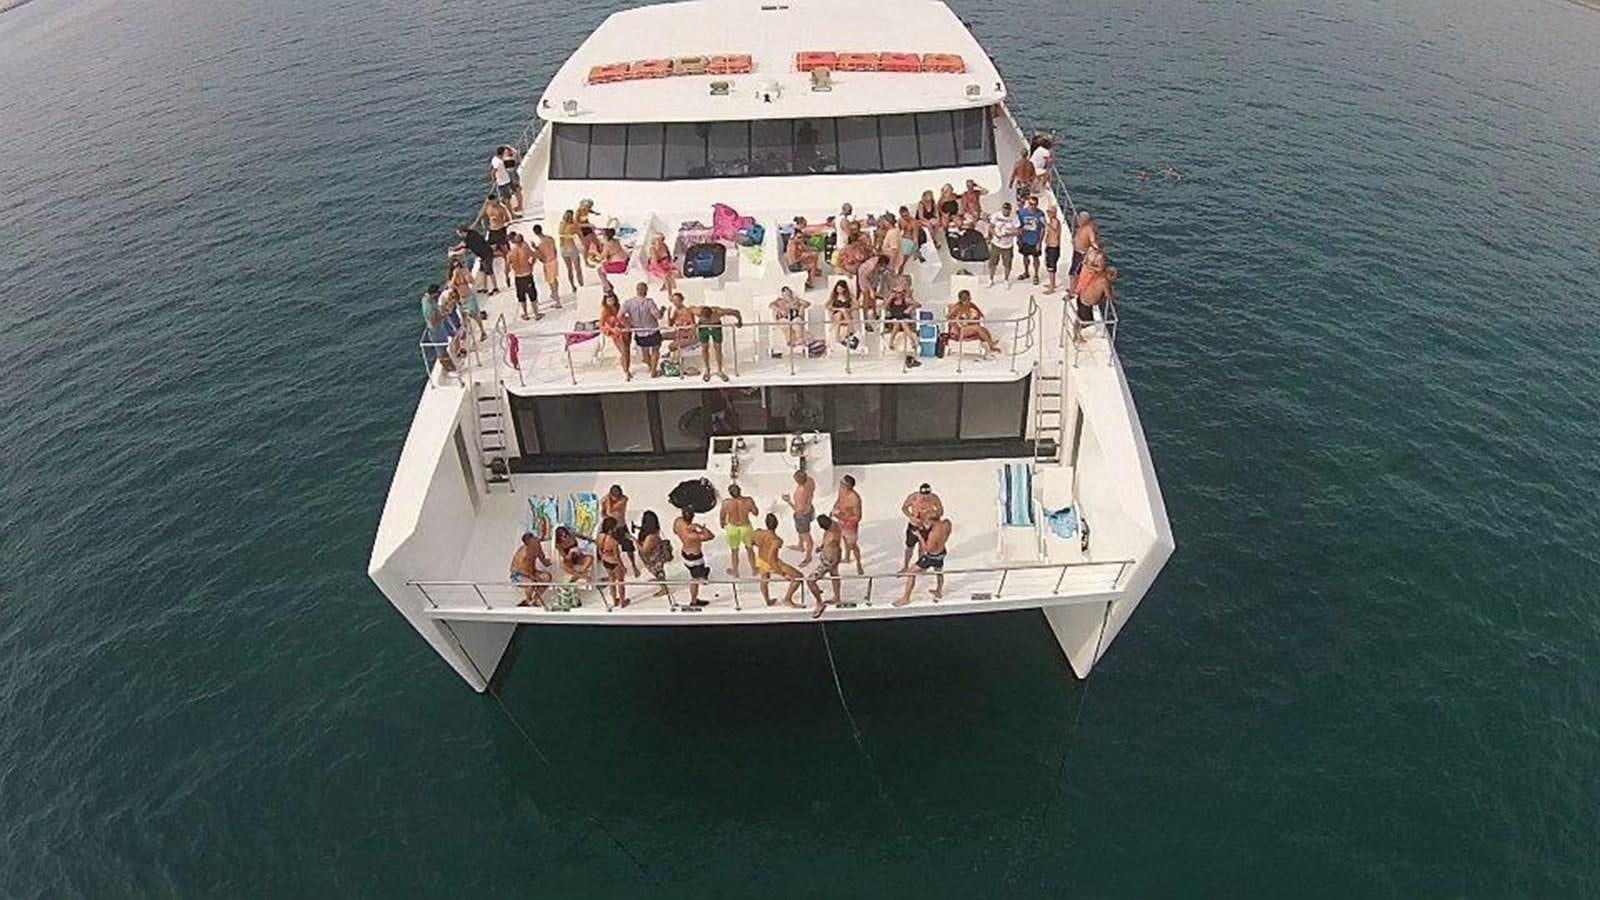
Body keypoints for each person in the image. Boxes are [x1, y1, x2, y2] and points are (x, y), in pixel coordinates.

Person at [898, 515, 951, 605]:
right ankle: (939, 591)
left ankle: (906, 598)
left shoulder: (933, 534)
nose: (925, 524)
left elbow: (927, 549)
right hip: (942, 552)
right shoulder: (946, 524)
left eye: (927, 522)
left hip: (931, 556)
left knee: (911, 572)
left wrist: (919, 536)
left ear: (931, 521)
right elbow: (947, 534)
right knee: (938, 571)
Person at [753, 513, 803, 608]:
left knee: (764, 580)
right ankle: (787, 599)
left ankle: (767, 601)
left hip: (761, 559)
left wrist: (762, 546)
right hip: (772, 562)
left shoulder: (757, 533)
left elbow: (752, 542)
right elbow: (771, 558)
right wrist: (782, 574)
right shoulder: (777, 540)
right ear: (777, 524)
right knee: (798, 577)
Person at [621, 282, 664, 378]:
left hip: (639, 332)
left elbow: (620, 316)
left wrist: (628, 325)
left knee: (645, 352)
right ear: (646, 290)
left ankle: (651, 368)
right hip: (652, 330)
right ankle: (653, 371)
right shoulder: (649, 302)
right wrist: (662, 311)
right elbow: (657, 316)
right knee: (655, 350)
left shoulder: (629, 303)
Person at [673, 509, 713, 607]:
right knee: (694, 580)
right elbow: (710, 536)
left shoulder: (678, 522)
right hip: (695, 558)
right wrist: (701, 528)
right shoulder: (692, 535)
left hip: (685, 553)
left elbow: (675, 531)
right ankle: (694, 601)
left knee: (694, 575)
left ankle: (702, 575)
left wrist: (690, 528)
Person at [806, 514, 844, 618]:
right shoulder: (833, 524)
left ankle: (819, 603)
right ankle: (837, 597)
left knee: (810, 581)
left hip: (829, 561)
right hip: (827, 556)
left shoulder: (834, 535)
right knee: (834, 575)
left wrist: (833, 562)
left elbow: (835, 549)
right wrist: (822, 547)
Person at [901, 482, 944, 569]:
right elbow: (904, 508)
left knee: (922, 547)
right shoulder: (913, 497)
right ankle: (905, 565)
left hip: (926, 527)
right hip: (914, 525)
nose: (925, 498)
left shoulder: (934, 498)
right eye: (923, 496)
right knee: (910, 547)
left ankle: (920, 566)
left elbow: (941, 511)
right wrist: (911, 517)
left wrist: (932, 515)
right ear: (919, 493)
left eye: (927, 496)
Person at [1074, 258, 1118, 340]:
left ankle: (1076, 334)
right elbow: (1108, 296)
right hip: (1085, 303)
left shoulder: (1100, 275)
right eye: (1113, 278)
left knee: (1081, 317)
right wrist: (1114, 298)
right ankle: (1077, 336)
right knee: (1086, 323)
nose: (1113, 280)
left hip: (1082, 299)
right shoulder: (1104, 281)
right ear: (1110, 275)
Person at [695, 304, 742, 382]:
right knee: (704, 348)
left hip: (716, 326)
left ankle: (720, 370)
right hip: (703, 327)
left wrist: (740, 322)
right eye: (705, 319)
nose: (707, 321)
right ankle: (707, 369)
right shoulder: (696, 311)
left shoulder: (719, 312)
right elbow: (688, 310)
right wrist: (693, 324)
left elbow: (736, 312)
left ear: (712, 315)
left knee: (718, 348)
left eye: (708, 319)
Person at [719, 483, 758, 576]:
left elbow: (722, 518)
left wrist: (723, 525)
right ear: (740, 491)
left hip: (733, 528)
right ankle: (754, 569)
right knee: (750, 549)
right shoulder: (748, 500)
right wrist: (750, 508)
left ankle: (735, 571)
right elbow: (756, 512)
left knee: (734, 551)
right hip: (745, 527)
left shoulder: (726, 503)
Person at [946, 289, 1001, 355]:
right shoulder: (958, 307)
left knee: (984, 329)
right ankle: (991, 345)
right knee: (977, 328)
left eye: (968, 298)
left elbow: (980, 313)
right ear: (960, 299)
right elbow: (948, 317)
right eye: (964, 298)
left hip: (967, 327)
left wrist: (974, 317)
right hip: (960, 330)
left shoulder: (971, 305)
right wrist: (957, 321)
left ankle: (991, 344)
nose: (967, 300)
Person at [883, 277, 921, 369]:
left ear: (903, 293)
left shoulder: (906, 300)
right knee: (898, 322)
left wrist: (910, 308)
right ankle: (912, 342)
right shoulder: (891, 300)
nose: (897, 294)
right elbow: (884, 307)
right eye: (895, 292)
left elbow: (918, 304)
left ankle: (893, 342)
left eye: (899, 293)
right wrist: (890, 298)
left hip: (904, 321)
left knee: (902, 322)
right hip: (894, 321)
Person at [831, 474, 864, 575]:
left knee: (853, 545)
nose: (840, 484)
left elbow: (858, 517)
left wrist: (842, 517)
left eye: (842, 483)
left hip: (850, 524)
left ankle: (859, 564)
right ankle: (847, 557)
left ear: (848, 486)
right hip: (841, 521)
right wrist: (833, 509)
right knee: (844, 539)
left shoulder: (855, 499)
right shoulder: (841, 491)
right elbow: (839, 500)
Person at [453, 224, 500, 294]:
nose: (459, 235)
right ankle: (485, 287)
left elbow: (463, 250)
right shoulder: (472, 233)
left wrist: (453, 253)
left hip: (486, 254)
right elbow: (462, 244)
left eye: (459, 233)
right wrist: (454, 248)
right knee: (483, 270)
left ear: (462, 232)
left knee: (489, 271)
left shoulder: (470, 239)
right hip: (483, 254)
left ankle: (495, 288)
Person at [782, 469, 816, 565]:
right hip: (809, 509)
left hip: (803, 515)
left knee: (806, 536)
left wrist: (788, 501)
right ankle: (800, 545)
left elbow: (798, 510)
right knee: (800, 530)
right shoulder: (810, 481)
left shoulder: (801, 492)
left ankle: (808, 556)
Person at [509, 530, 552, 607]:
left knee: (547, 578)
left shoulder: (537, 545)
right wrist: (535, 578)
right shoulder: (524, 555)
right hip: (518, 574)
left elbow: (541, 555)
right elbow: (524, 571)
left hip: (532, 571)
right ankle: (528, 599)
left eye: (535, 542)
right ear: (527, 544)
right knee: (531, 582)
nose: (536, 544)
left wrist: (545, 562)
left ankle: (533, 600)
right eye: (533, 544)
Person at [506, 232, 541, 321]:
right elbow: (536, 255)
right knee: (532, 295)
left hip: (518, 277)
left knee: (521, 297)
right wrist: (531, 265)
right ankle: (536, 314)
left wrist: (507, 277)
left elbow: (507, 268)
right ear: (522, 241)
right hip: (527, 275)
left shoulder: (510, 254)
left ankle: (525, 314)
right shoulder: (526, 250)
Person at [596, 516, 629, 608]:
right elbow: (617, 557)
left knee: (611, 581)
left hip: (605, 561)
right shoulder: (613, 541)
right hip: (614, 563)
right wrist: (623, 567)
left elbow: (599, 550)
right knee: (620, 582)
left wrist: (603, 557)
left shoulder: (599, 537)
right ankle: (622, 602)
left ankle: (614, 600)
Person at [636, 510, 671, 597]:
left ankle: (664, 589)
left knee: (658, 572)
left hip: (653, 558)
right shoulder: (654, 530)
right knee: (656, 572)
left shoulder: (650, 537)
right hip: (654, 555)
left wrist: (633, 539)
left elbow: (644, 550)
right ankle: (660, 581)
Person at [598, 290, 631, 380]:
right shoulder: (605, 311)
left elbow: (625, 318)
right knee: (623, 352)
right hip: (616, 335)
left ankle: (627, 369)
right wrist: (611, 329)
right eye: (609, 301)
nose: (611, 302)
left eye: (612, 300)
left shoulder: (620, 308)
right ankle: (626, 372)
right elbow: (601, 325)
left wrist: (626, 324)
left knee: (627, 352)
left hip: (625, 332)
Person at [769, 286, 810, 352]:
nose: (787, 295)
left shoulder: (796, 300)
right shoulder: (779, 301)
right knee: (786, 323)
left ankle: (800, 340)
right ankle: (790, 342)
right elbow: (771, 305)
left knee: (797, 322)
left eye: (788, 293)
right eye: (785, 293)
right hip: (784, 319)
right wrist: (780, 310)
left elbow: (807, 304)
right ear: (782, 294)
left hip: (795, 318)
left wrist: (799, 302)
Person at [987, 202, 1019, 287]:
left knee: (1007, 264)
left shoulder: (1014, 218)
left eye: (1008, 210)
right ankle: (991, 279)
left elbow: (1018, 231)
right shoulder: (996, 215)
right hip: (996, 244)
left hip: (1007, 245)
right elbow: (990, 227)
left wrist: (1009, 234)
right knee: (992, 263)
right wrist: (995, 234)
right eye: (1004, 209)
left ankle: (1006, 279)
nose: (1006, 211)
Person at [1015, 195, 1045, 285]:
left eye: (1035, 204)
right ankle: (1026, 272)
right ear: (1028, 203)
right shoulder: (1022, 213)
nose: (1033, 206)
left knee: (1036, 258)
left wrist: (1039, 242)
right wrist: (1018, 238)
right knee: (1025, 257)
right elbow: (1018, 226)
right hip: (1024, 239)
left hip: (1035, 240)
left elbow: (1043, 229)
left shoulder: (1040, 214)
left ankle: (1036, 275)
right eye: (1031, 204)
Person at [785, 217, 822, 288]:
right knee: (812, 264)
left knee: (813, 256)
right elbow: (793, 261)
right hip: (794, 266)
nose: (801, 239)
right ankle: (810, 282)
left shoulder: (796, 241)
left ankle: (813, 274)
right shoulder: (792, 246)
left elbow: (803, 246)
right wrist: (802, 257)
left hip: (797, 261)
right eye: (799, 237)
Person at [532, 224, 562, 308]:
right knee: (555, 279)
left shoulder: (540, 244)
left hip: (548, 263)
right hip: (554, 260)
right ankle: (555, 295)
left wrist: (536, 249)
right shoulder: (550, 238)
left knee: (551, 282)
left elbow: (541, 257)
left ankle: (557, 301)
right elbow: (555, 250)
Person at [1070, 211, 1100, 285]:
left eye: (1080, 218)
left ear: (1084, 220)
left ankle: (1072, 292)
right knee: (1074, 272)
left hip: (1081, 254)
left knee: (1074, 273)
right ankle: (1074, 287)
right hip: (1076, 252)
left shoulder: (1089, 230)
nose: (1078, 220)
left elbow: (1092, 241)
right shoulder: (1081, 227)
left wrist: (1097, 250)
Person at [826, 279, 858, 347]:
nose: (838, 290)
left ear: (844, 289)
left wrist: (848, 309)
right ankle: (847, 332)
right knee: (839, 314)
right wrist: (839, 309)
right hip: (836, 315)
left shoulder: (849, 296)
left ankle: (846, 333)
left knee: (844, 312)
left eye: (840, 288)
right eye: (837, 288)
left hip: (846, 315)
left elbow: (857, 306)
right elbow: (827, 306)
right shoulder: (834, 296)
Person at [558, 209, 584, 291]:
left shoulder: (561, 224)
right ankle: (581, 285)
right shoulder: (574, 226)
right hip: (571, 248)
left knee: (569, 269)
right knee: (578, 269)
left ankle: (573, 287)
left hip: (562, 249)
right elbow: (581, 237)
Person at [482, 193, 512, 261]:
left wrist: (499, 220)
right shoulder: (487, 208)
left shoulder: (501, 208)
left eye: (493, 201)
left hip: (500, 229)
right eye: (490, 201)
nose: (492, 203)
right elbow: (485, 217)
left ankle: (508, 260)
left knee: (504, 247)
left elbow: (507, 219)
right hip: (492, 230)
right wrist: (486, 226)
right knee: (489, 247)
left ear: (496, 200)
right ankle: (499, 254)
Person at [1042, 207, 1063, 294]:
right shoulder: (1052, 221)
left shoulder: (1055, 221)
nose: (1048, 214)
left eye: (1050, 212)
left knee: (1051, 267)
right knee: (1049, 265)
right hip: (1049, 246)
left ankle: (1052, 287)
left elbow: (1054, 230)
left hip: (1053, 247)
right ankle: (1052, 284)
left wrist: (1046, 224)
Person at [489, 147, 517, 212]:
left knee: (511, 195)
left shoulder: (497, 159)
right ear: (502, 153)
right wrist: (494, 179)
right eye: (505, 152)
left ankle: (512, 212)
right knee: (507, 199)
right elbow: (493, 171)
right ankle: (512, 214)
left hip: (507, 179)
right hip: (502, 182)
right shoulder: (497, 162)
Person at [499, 145, 524, 215]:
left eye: (507, 151)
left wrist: (509, 147)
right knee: (514, 191)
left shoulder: (511, 157)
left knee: (517, 191)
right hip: (508, 176)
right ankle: (518, 205)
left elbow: (516, 153)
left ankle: (520, 205)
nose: (506, 152)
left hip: (513, 176)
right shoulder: (503, 159)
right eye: (505, 151)